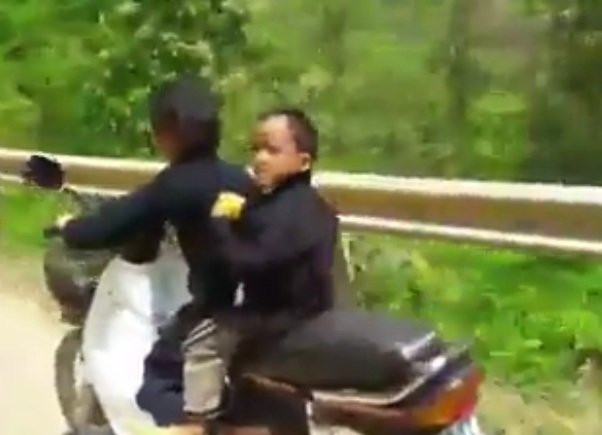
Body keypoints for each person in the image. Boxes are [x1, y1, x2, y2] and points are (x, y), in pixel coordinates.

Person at [50, 75, 252, 430]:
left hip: (215, 310)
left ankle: (188, 426)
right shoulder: (242, 179)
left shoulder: (176, 184)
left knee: (155, 385)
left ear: (168, 133)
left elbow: (110, 225)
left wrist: (69, 227)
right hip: (258, 301)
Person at [179, 108, 339, 434]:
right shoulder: (310, 206)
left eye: (272, 150)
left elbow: (247, 262)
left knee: (202, 343)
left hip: (280, 316)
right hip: (312, 311)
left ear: (303, 162)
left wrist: (221, 222)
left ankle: (195, 423)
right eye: (256, 149)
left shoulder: (288, 210)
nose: (260, 159)